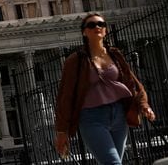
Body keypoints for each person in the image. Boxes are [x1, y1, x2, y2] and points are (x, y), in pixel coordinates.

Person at [54, 13, 155, 164]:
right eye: (91, 25)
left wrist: (144, 105)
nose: (97, 27)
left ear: (105, 30)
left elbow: (132, 83)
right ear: (84, 32)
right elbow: (65, 95)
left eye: (101, 24)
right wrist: (62, 131)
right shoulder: (76, 60)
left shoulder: (115, 55)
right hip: (91, 118)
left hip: (118, 115)